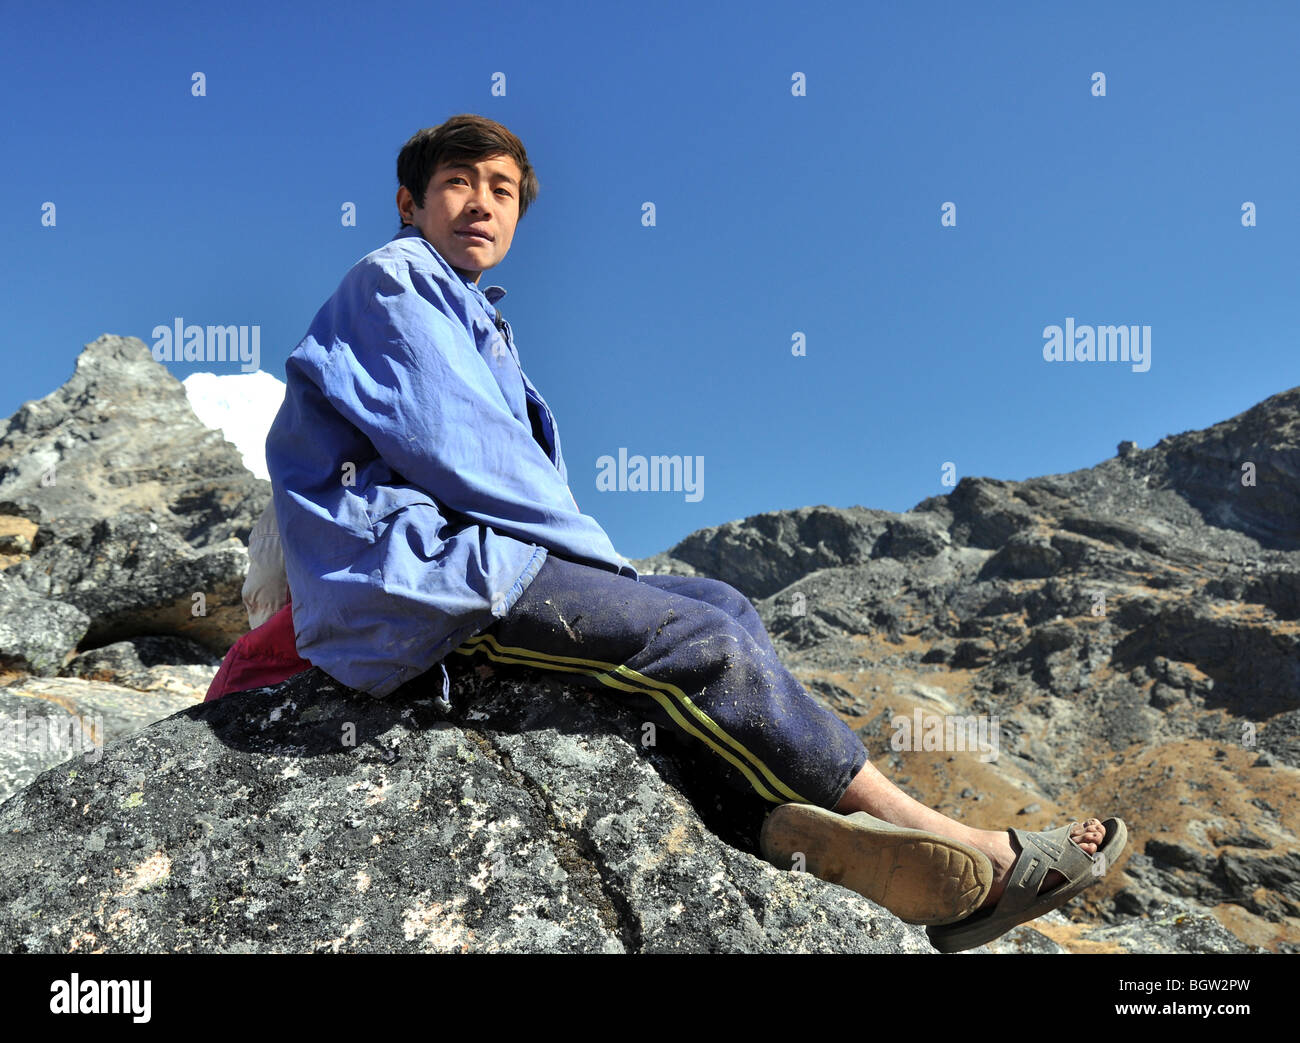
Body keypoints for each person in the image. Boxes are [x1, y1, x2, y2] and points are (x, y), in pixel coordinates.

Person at [210, 114, 1126, 953]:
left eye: (502, 189)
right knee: (705, 637)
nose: (481, 202)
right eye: (458, 182)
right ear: (410, 203)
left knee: (722, 598)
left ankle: (787, 824)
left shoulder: (474, 314)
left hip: (476, 563)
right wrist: (619, 579)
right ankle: (955, 844)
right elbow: (469, 455)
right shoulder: (395, 279)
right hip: (423, 580)